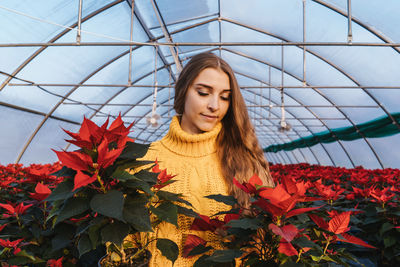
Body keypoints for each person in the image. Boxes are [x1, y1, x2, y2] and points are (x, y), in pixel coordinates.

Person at [137, 52, 274, 266]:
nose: (215, 106)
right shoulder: (143, 161)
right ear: (183, 92)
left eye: (224, 97)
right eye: (203, 92)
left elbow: (260, 247)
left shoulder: (244, 163)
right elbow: (126, 246)